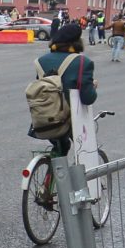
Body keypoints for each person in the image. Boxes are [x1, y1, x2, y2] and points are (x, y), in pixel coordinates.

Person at [31, 21, 98, 158]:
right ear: (77, 42)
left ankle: (52, 176)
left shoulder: (41, 60)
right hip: (70, 119)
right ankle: (80, 178)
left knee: (60, 147)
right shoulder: (82, 62)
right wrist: (93, 86)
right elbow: (88, 98)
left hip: (44, 117)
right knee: (86, 152)